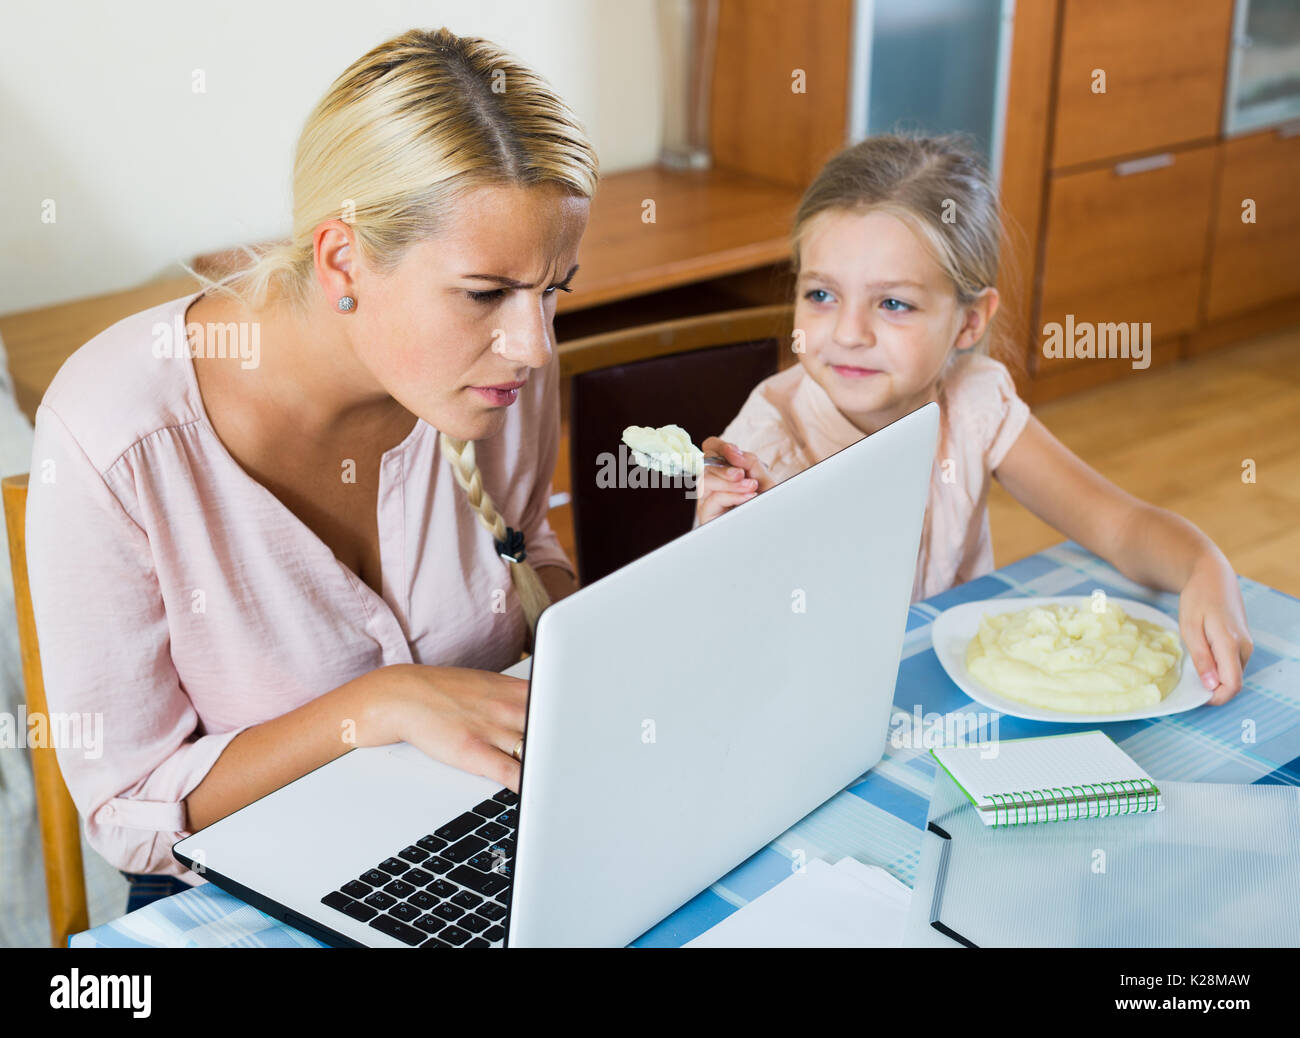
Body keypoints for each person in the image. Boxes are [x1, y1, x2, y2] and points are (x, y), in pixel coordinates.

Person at [24, 27, 598, 906]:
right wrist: (373, 708)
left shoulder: (498, 375)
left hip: (477, 834)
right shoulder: (115, 437)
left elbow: (528, 555)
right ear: (342, 258)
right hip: (238, 890)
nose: (531, 344)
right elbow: (128, 813)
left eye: (552, 291)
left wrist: (613, 636)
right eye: (485, 292)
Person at [694, 133, 1252, 706]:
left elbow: (1119, 526)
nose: (848, 333)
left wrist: (1203, 565)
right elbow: (728, 654)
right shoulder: (766, 446)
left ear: (969, 323)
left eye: (893, 304)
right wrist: (725, 551)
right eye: (820, 295)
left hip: (956, 698)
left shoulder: (974, 402)